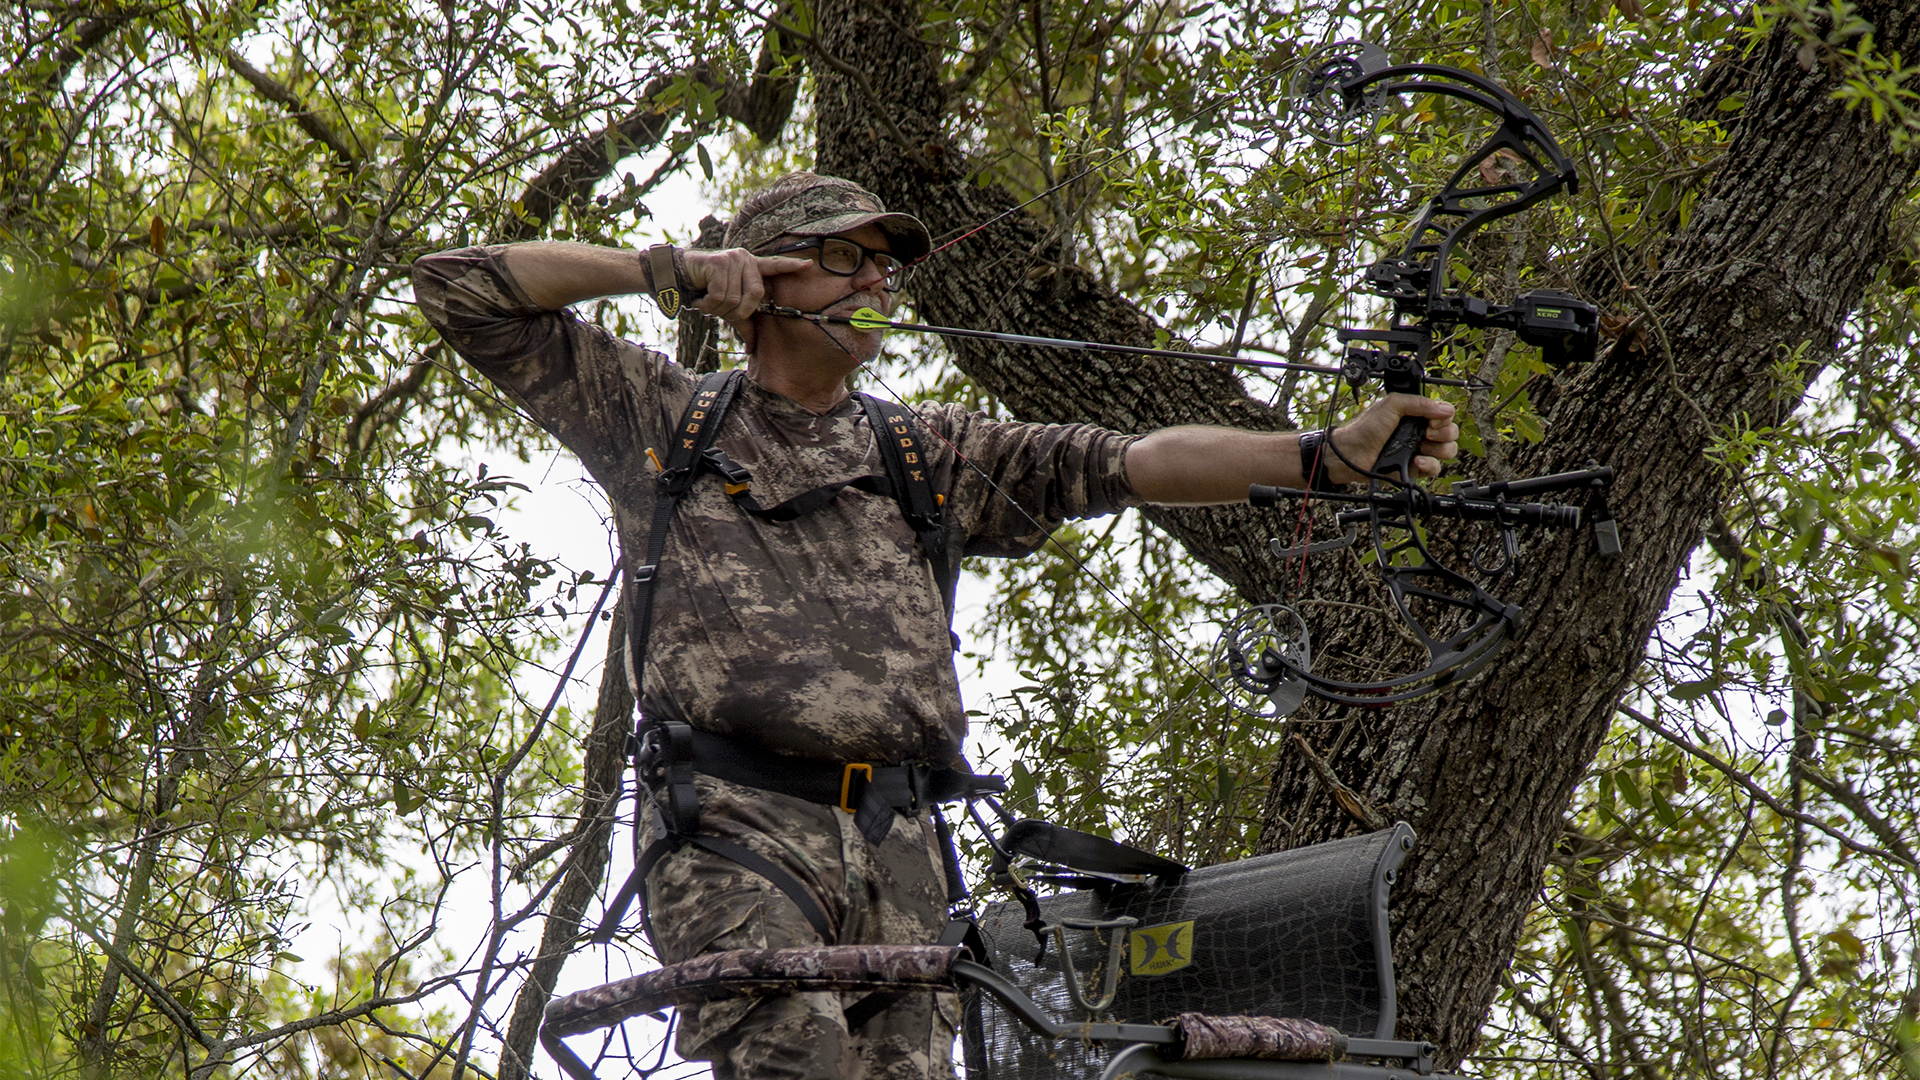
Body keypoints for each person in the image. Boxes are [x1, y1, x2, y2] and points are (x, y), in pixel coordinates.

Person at [411, 171, 1457, 1080]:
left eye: (885, 268)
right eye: (842, 260)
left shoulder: (928, 452)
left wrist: (1324, 457)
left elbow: (1130, 462)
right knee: (789, 1049)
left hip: (899, 842)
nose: (876, 284)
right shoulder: (663, 418)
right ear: (764, 279)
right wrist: (664, 268)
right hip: (735, 824)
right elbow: (456, 286)